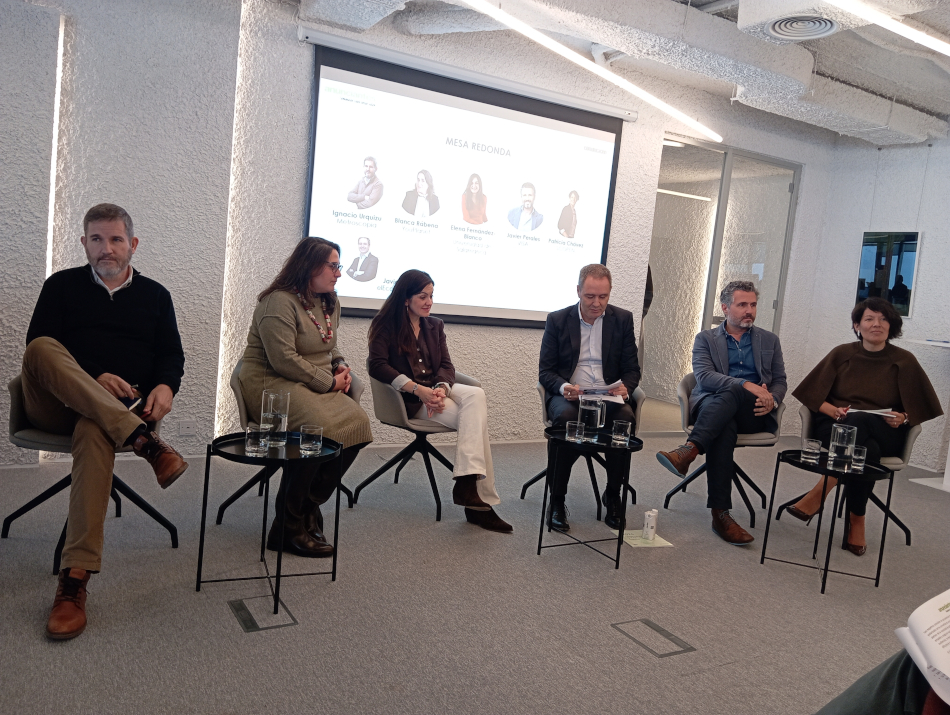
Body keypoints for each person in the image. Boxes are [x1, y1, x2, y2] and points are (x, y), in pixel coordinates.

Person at [23, 203, 188, 640]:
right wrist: (94, 377)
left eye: (115, 239)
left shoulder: (156, 296)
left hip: (116, 413)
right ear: (84, 243)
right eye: (96, 239)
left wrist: (166, 386)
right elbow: (39, 351)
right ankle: (143, 441)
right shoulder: (60, 286)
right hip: (55, 405)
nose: (106, 248)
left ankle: (74, 580)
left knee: (95, 428)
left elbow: (171, 356)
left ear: (132, 244)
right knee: (40, 347)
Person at [240, 237, 373, 558]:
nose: (339, 273)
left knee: (359, 424)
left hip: (311, 382)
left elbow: (329, 344)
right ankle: (286, 527)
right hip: (271, 383)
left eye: (339, 266)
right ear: (310, 266)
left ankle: (306, 508)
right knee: (319, 427)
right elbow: (283, 359)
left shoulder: (328, 302)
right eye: (333, 266)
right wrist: (329, 382)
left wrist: (340, 365)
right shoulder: (278, 302)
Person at [787, 297, 941, 554]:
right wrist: (833, 411)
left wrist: (902, 417)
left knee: (861, 422)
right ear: (857, 325)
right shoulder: (841, 354)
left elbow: (920, 407)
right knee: (866, 447)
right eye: (869, 319)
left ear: (892, 326)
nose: (876, 324)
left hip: (886, 431)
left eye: (883, 319)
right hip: (836, 426)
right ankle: (857, 520)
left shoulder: (904, 360)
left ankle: (821, 490)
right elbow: (811, 395)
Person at [367, 270, 512, 533]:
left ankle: (468, 485)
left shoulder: (435, 325)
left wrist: (441, 388)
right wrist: (417, 390)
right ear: (406, 298)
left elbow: (446, 365)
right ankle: (478, 502)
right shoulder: (385, 325)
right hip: (409, 401)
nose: (429, 302)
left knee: (476, 395)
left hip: (436, 393)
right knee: (476, 423)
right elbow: (377, 365)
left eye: (431, 296)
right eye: (422, 296)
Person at [655, 280, 786, 546]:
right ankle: (721, 514)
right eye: (742, 304)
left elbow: (780, 380)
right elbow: (704, 377)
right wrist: (746, 384)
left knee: (732, 399)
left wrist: (772, 399)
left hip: (753, 412)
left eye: (753, 305)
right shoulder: (705, 339)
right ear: (725, 308)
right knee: (726, 420)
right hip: (713, 406)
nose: (749, 310)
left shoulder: (769, 340)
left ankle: (689, 450)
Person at [538, 264, 640, 531]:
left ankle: (613, 495)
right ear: (578, 291)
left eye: (603, 297)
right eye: (590, 296)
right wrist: (563, 387)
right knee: (567, 418)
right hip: (572, 396)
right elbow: (545, 371)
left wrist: (626, 388)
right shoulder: (558, 320)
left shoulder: (623, 319)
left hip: (608, 395)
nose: (597, 303)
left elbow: (632, 369)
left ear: (610, 293)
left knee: (625, 419)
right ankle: (557, 500)